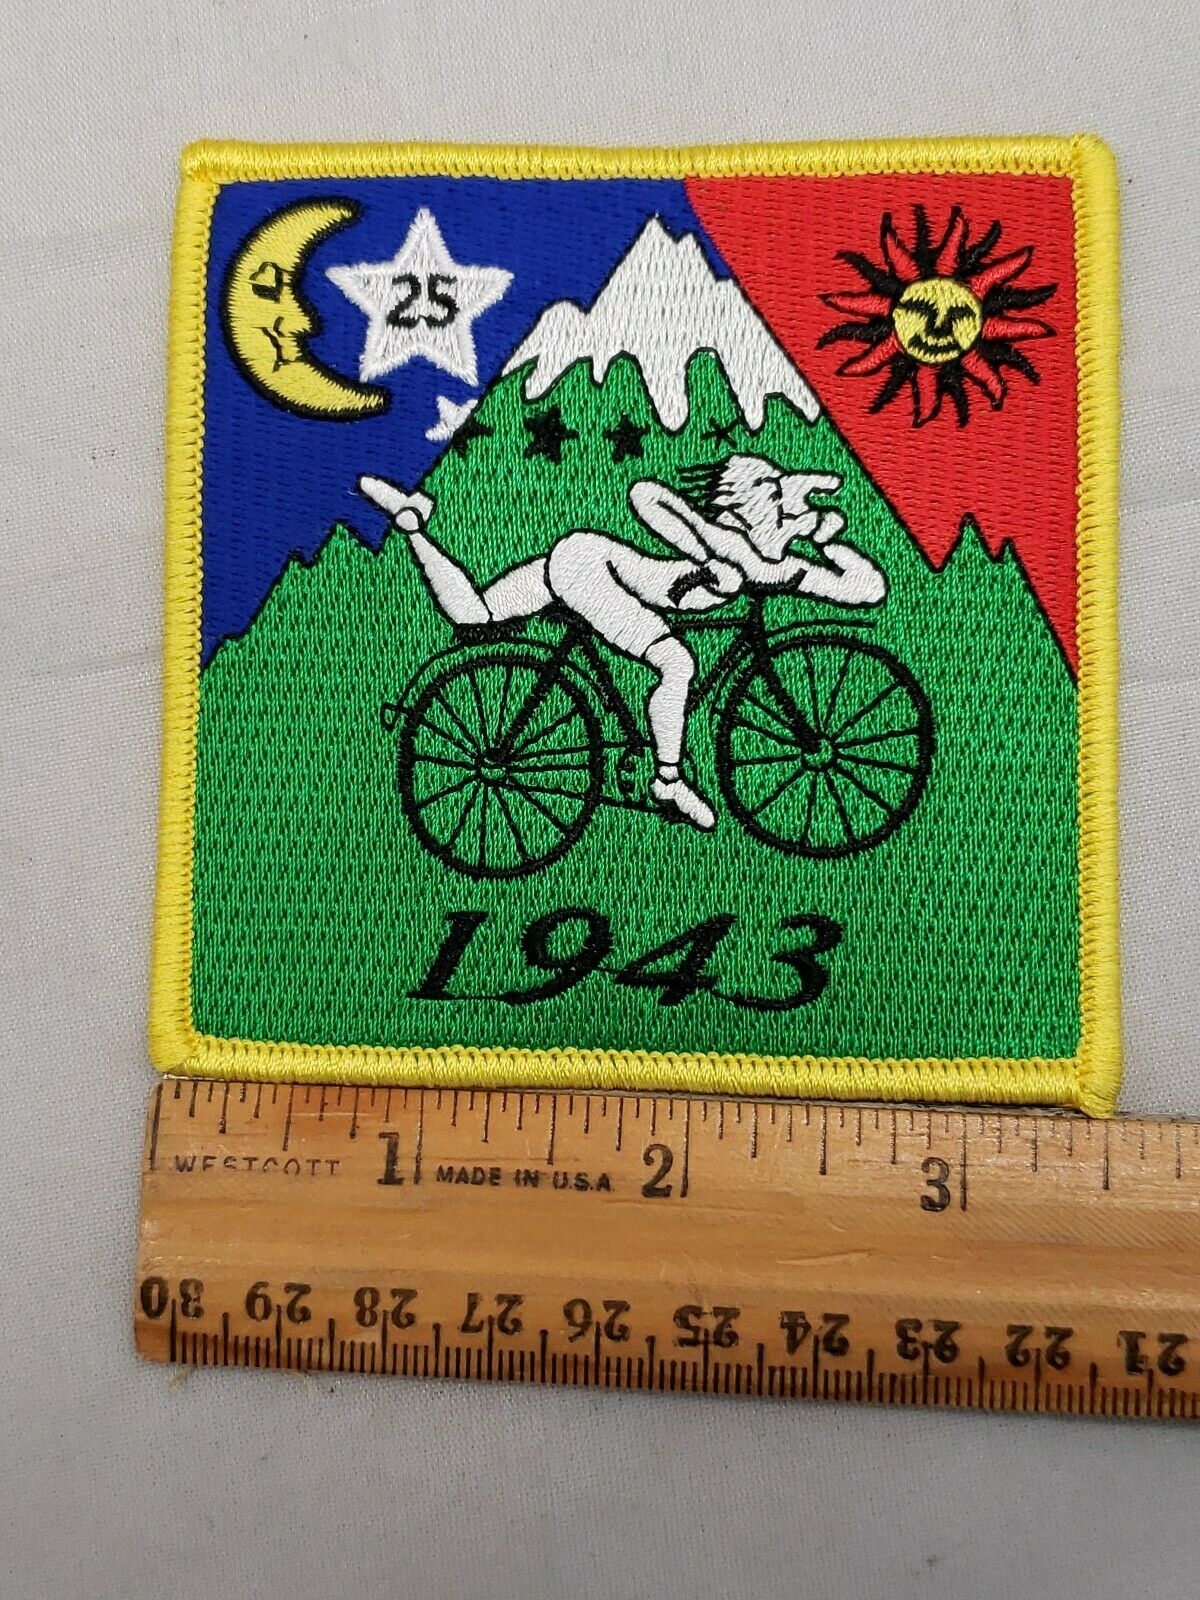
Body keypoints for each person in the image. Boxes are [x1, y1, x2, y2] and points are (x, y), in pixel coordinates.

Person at [359, 455, 886, 831]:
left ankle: (411, 522)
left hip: (584, 561)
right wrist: (705, 553)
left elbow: (867, 589)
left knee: (476, 615)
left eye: (781, 494)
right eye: (771, 492)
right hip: (592, 569)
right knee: (677, 663)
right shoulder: (723, 539)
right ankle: (668, 781)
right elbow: (645, 495)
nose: (784, 506)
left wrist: (825, 540)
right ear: (741, 502)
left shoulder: (765, 564)